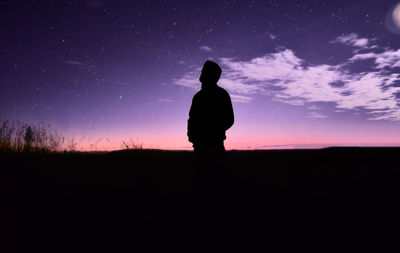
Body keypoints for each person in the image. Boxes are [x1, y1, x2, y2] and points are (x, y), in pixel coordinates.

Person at [187, 60, 234, 152]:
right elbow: (192, 119)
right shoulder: (198, 97)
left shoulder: (221, 94)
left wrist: (212, 132)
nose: (201, 74)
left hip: (215, 146)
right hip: (199, 146)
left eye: (204, 72)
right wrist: (193, 137)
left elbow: (229, 119)